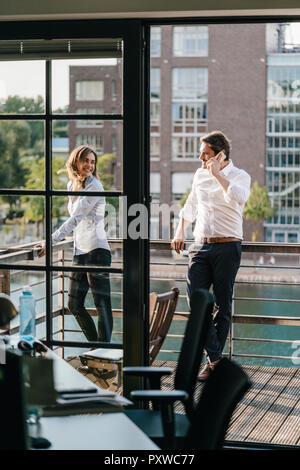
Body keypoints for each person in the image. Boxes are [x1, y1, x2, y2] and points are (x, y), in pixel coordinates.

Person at [171, 131, 251, 381]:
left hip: (228, 246)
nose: (200, 157)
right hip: (199, 246)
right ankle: (216, 359)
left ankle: (211, 363)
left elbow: (238, 198)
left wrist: (217, 174)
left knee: (223, 305)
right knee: (197, 302)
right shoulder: (198, 174)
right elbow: (192, 203)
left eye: (205, 153)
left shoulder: (240, 176)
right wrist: (179, 229)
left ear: (220, 154)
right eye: (201, 152)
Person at [35, 145, 113, 343]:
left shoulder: (94, 186)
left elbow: (75, 219)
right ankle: (97, 349)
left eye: (92, 162)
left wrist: (50, 241)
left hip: (97, 250)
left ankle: (104, 355)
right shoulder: (72, 185)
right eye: (86, 160)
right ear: (76, 161)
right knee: (74, 304)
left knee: (101, 304)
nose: (89, 165)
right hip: (80, 250)